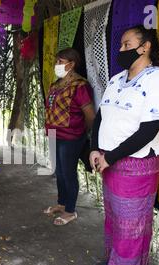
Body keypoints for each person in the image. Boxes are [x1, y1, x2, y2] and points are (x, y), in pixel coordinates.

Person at [89, 25, 159, 265]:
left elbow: (149, 130)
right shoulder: (117, 80)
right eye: (121, 45)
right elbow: (101, 116)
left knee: (132, 222)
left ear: (145, 46)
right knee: (115, 217)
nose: (121, 50)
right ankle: (113, 261)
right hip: (109, 160)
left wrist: (112, 156)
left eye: (127, 45)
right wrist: (95, 148)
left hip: (136, 164)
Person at [43, 48, 96, 226]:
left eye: (61, 61)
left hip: (71, 137)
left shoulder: (80, 86)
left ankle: (70, 211)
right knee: (59, 172)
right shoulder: (56, 85)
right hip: (53, 134)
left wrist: (86, 134)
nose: (57, 65)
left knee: (68, 173)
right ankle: (62, 203)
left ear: (71, 64)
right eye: (56, 61)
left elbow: (89, 114)